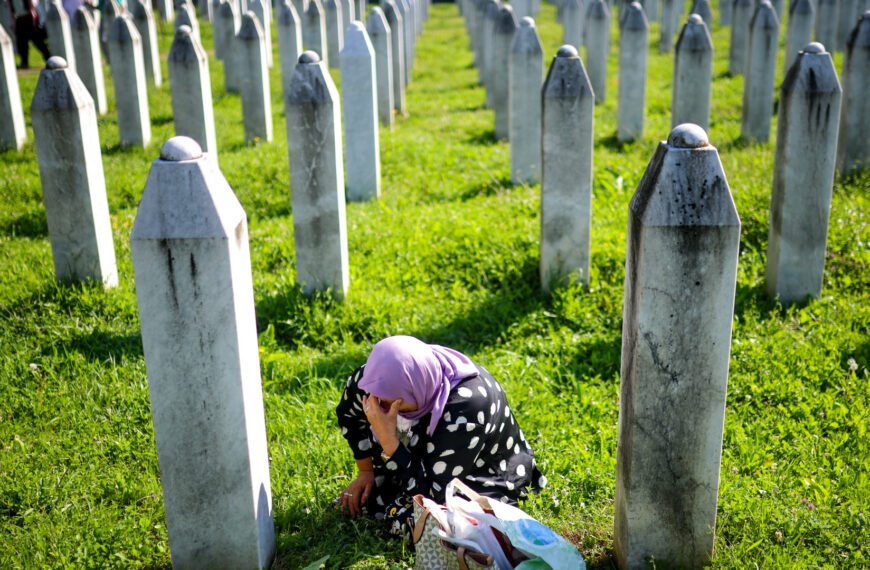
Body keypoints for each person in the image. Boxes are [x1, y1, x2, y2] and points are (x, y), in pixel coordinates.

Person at [336, 335, 546, 535]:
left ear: (416, 389)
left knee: (428, 524)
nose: (382, 408)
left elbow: (433, 495)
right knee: (375, 501)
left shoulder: (465, 410)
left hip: (476, 473)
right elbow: (349, 416)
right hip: (425, 458)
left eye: (395, 403)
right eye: (380, 399)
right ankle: (396, 484)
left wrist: (389, 441)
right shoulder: (376, 380)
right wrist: (366, 472)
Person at [9, 0, 51, 69]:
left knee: (37, 40)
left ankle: (48, 58)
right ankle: (24, 62)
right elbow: (10, 5)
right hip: (19, 17)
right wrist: (13, 20)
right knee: (21, 42)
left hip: (29, 15)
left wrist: (32, 11)